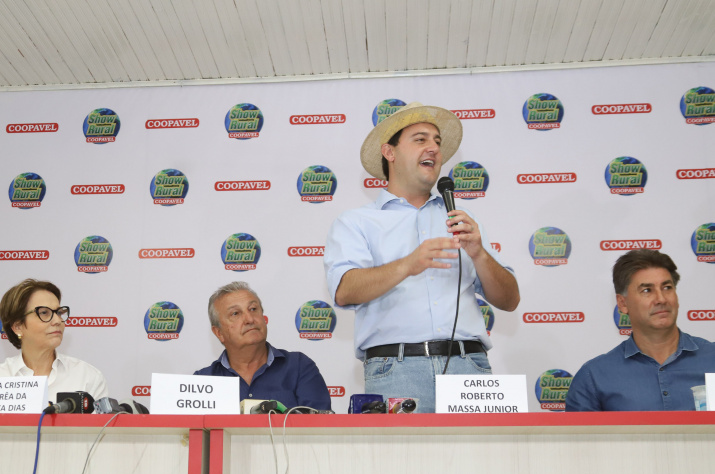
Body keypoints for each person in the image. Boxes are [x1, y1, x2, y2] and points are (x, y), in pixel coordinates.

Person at [323, 102, 519, 413]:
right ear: (389, 152)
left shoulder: (461, 219)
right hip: (396, 369)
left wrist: (479, 254)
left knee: (479, 448)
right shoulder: (356, 222)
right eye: (420, 139)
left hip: (469, 366)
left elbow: (509, 300)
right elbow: (345, 290)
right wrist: (408, 264)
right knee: (402, 449)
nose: (434, 148)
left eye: (437, 141)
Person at [566, 250, 714, 411]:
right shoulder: (594, 377)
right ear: (622, 303)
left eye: (667, 287)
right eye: (647, 290)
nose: (661, 299)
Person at [195, 282, 331, 411]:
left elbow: (322, 425)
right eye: (235, 313)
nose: (250, 319)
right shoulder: (203, 382)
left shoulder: (299, 367)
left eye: (253, 309)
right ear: (219, 333)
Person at [0, 279, 108, 403]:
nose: (57, 321)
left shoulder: (87, 378)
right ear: (18, 326)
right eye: (44, 313)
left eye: (59, 313)